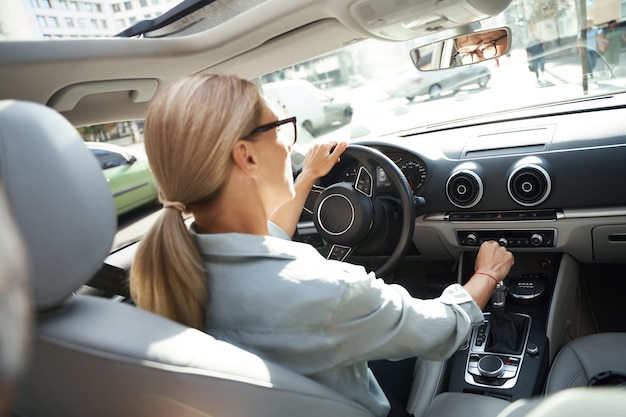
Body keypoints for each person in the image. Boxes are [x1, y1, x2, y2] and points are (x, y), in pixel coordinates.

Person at [129, 74, 514, 417]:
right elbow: (439, 330)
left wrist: (309, 176)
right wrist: (485, 274)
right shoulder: (327, 289)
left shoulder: (174, 267)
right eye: (279, 129)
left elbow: (267, 237)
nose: (288, 146)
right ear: (246, 156)